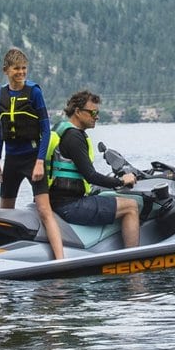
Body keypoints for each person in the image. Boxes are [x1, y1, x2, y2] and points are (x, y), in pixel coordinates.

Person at [42, 89, 140, 248]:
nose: (97, 117)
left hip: (56, 200)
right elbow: (90, 176)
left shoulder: (61, 129)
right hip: (69, 205)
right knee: (131, 206)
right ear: (78, 112)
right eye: (93, 112)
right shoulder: (74, 137)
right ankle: (134, 261)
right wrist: (121, 180)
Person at [0, 47, 50, 209]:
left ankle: (55, 235)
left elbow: (46, 130)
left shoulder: (35, 93)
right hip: (11, 159)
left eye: (24, 68)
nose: (21, 72)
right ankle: (4, 235)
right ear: (6, 70)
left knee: (44, 211)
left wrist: (40, 162)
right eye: (16, 68)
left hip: (32, 157)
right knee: (5, 209)